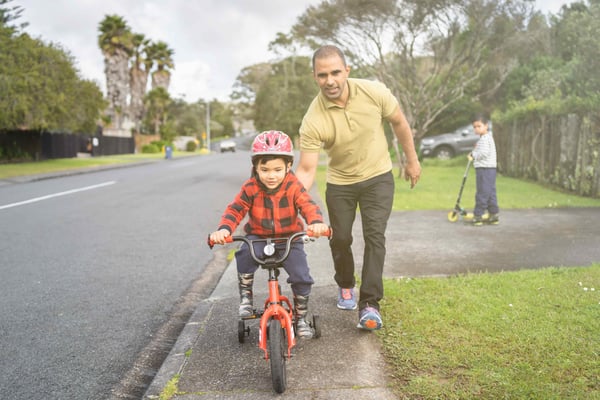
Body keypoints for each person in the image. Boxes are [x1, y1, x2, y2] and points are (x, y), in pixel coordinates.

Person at [295, 45, 421, 331]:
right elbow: (306, 169)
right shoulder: (313, 119)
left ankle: (370, 305)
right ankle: (346, 284)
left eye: (336, 72)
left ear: (347, 71)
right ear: (315, 77)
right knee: (340, 239)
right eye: (323, 75)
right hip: (340, 183)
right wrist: (289, 202)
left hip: (378, 176)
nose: (331, 80)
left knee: (374, 235)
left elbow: (399, 123)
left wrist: (411, 161)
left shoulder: (374, 92)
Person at [209, 130, 329, 339]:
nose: (271, 175)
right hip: (258, 237)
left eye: (277, 169)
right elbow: (235, 209)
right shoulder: (251, 187)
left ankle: (300, 318)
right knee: (244, 254)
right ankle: (246, 299)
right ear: (255, 167)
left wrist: (316, 223)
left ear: (288, 167)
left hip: (289, 238)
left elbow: (308, 205)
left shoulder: (293, 185)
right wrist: (224, 229)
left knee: (302, 276)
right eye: (264, 169)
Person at [468, 114, 499, 225]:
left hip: (484, 169)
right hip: (490, 169)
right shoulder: (487, 137)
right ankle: (493, 214)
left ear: (486, 126)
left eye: (479, 126)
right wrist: (477, 149)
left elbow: (484, 153)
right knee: (490, 192)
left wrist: (473, 154)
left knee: (482, 192)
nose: (476, 129)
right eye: (474, 127)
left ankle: (478, 215)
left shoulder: (485, 139)